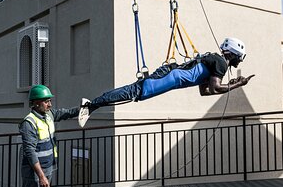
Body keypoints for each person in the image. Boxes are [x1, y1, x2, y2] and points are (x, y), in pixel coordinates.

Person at [78, 37, 254, 126]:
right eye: (240, 57)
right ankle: (90, 105)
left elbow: (205, 91)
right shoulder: (221, 63)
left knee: (132, 93)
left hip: (169, 76)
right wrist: (238, 84)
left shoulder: (215, 62)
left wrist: (232, 84)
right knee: (133, 92)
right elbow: (216, 89)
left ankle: (92, 105)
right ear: (232, 54)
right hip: (168, 77)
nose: (240, 60)